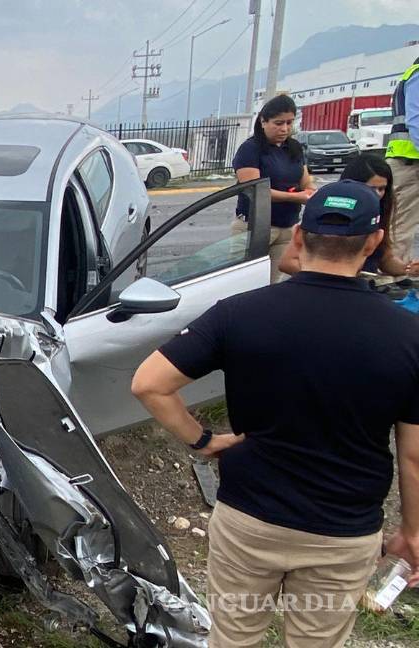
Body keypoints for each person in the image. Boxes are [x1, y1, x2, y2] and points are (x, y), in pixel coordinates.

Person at [131, 180, 419, 647]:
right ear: (373, 242)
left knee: (234, 637)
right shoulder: (408, 336)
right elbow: (413, 456)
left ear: (300, 237)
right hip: (342, 534)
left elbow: (149, 383)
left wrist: (203, 442)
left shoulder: (240, 313)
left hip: (250, 521)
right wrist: (411, 531)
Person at [278, 154, 419, 279]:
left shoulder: (379, 211)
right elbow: (287, 262)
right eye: (370, 188)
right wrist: (338, 281)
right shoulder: (327, 212)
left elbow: (385, 258)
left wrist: (407, 268)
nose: (376, 194)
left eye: (381, 189)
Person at [232, 94, 316, 283]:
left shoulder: (294, 148)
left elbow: (305, 181)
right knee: (243, 284)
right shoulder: (250, 149)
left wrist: (310, 191)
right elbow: (256, 191)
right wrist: (296, 197)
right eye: (278, 123)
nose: (284, 129)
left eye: (289, 123)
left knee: (271, 285)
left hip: (287, 227)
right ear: (263, 121)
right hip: (254, 227)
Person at [386, 57, 419, 273]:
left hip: (409, 161)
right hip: (409, 163)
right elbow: (416, 122)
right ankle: (392, 279)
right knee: (400, 226)